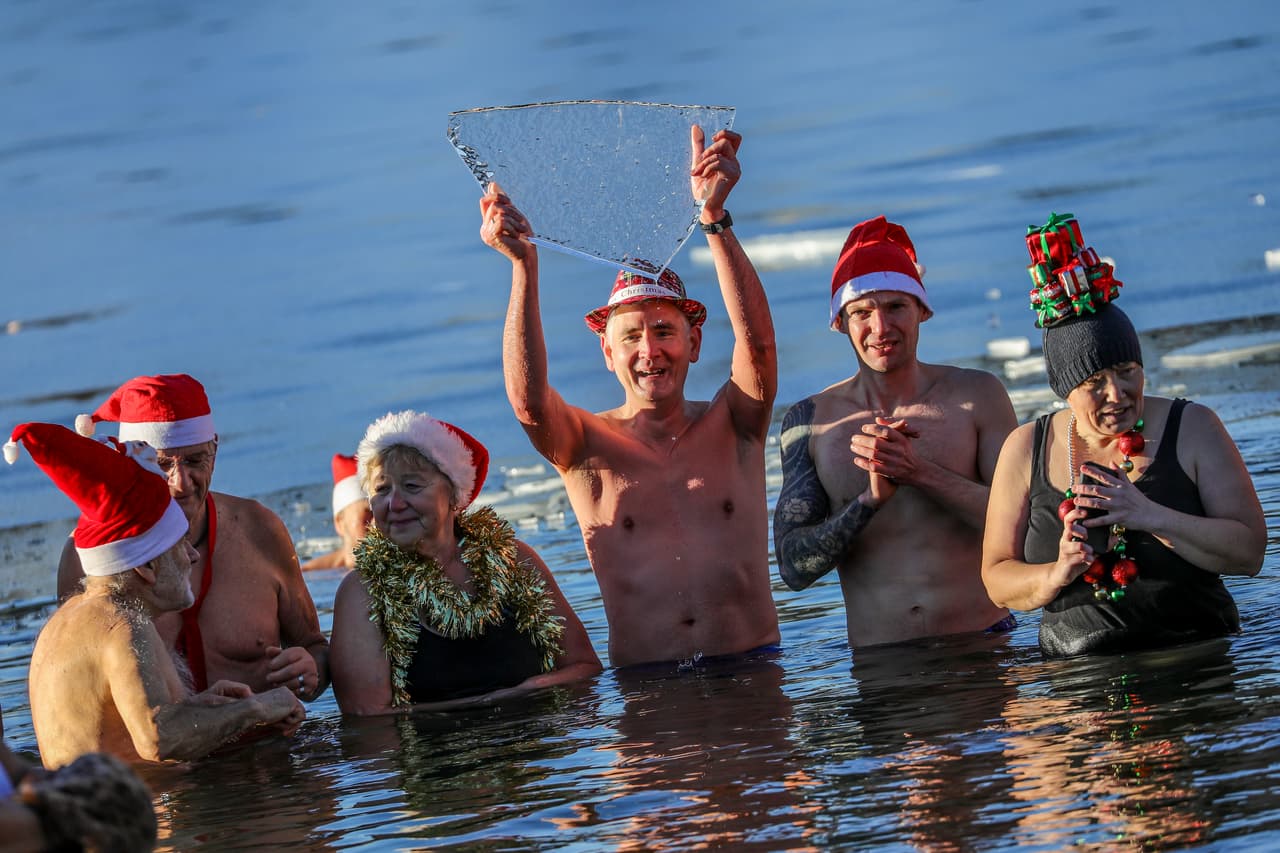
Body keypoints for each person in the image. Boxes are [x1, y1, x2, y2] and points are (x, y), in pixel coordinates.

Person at [481, 126, 780, 668]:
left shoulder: (735, 422)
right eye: (631, 337)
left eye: (664, 332)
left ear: (694, 344)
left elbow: (757, 345)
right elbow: (527, 404)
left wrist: (713, 220)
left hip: (754, 666)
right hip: (647, 690)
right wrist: (524, 267)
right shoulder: (584, 447)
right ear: (607, 354)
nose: (650, 351)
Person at [981, 213, 1266, 657]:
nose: (1116, 393)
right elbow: (997, 580)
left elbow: (1249, 552)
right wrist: (1057, 572)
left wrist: (1149, 515)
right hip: (1076, 686)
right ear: (1064, 390)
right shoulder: (1025, 447)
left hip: (1195, 659)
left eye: (1127, 371)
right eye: (1094, 381)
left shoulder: (1193, 427)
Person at [773, 216, 1017, 647]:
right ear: (839, 322)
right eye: (862, 313)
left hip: (984, 645)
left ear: (922, 309)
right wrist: (867, 502)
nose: (880, 328)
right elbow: (794, 570)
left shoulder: (977, 396)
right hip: (881, 667)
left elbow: (1026, 525)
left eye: (895, 307)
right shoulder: (812, 421)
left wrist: (919, 473)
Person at [5, 423, 306, 768]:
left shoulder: (69, 620)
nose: (192, 556)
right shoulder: (121, 626)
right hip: (137, 816)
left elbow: (118, 730)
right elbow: (157, 738)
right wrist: (256, 709)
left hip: (86, 810)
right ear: (145, 567)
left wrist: (202, 708)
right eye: (178, 546)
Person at [56, 374, 329, 700]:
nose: (181, 482)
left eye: (195, 460)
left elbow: (316, 650)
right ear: (127, 463)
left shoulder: (260, 530)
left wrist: (310, 670)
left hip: (270, 745)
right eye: (162, 465)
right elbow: (73, 693)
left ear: (214, 450)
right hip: (163, 751)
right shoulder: (87, 558)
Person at [329, 410, 601, 714]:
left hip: (532, 750)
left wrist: (533, 690)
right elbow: (368, 718)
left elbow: (585, 666)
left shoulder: (514, 560)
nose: (395, 503)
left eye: (412, 486)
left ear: (455, 495)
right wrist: (488, 705)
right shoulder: (362, 592)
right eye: (381, 489)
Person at [301, 453, 371, 571]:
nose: (376, 524)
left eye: (384, 513)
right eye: (367, 516)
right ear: (340, 523)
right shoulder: (309, 574)